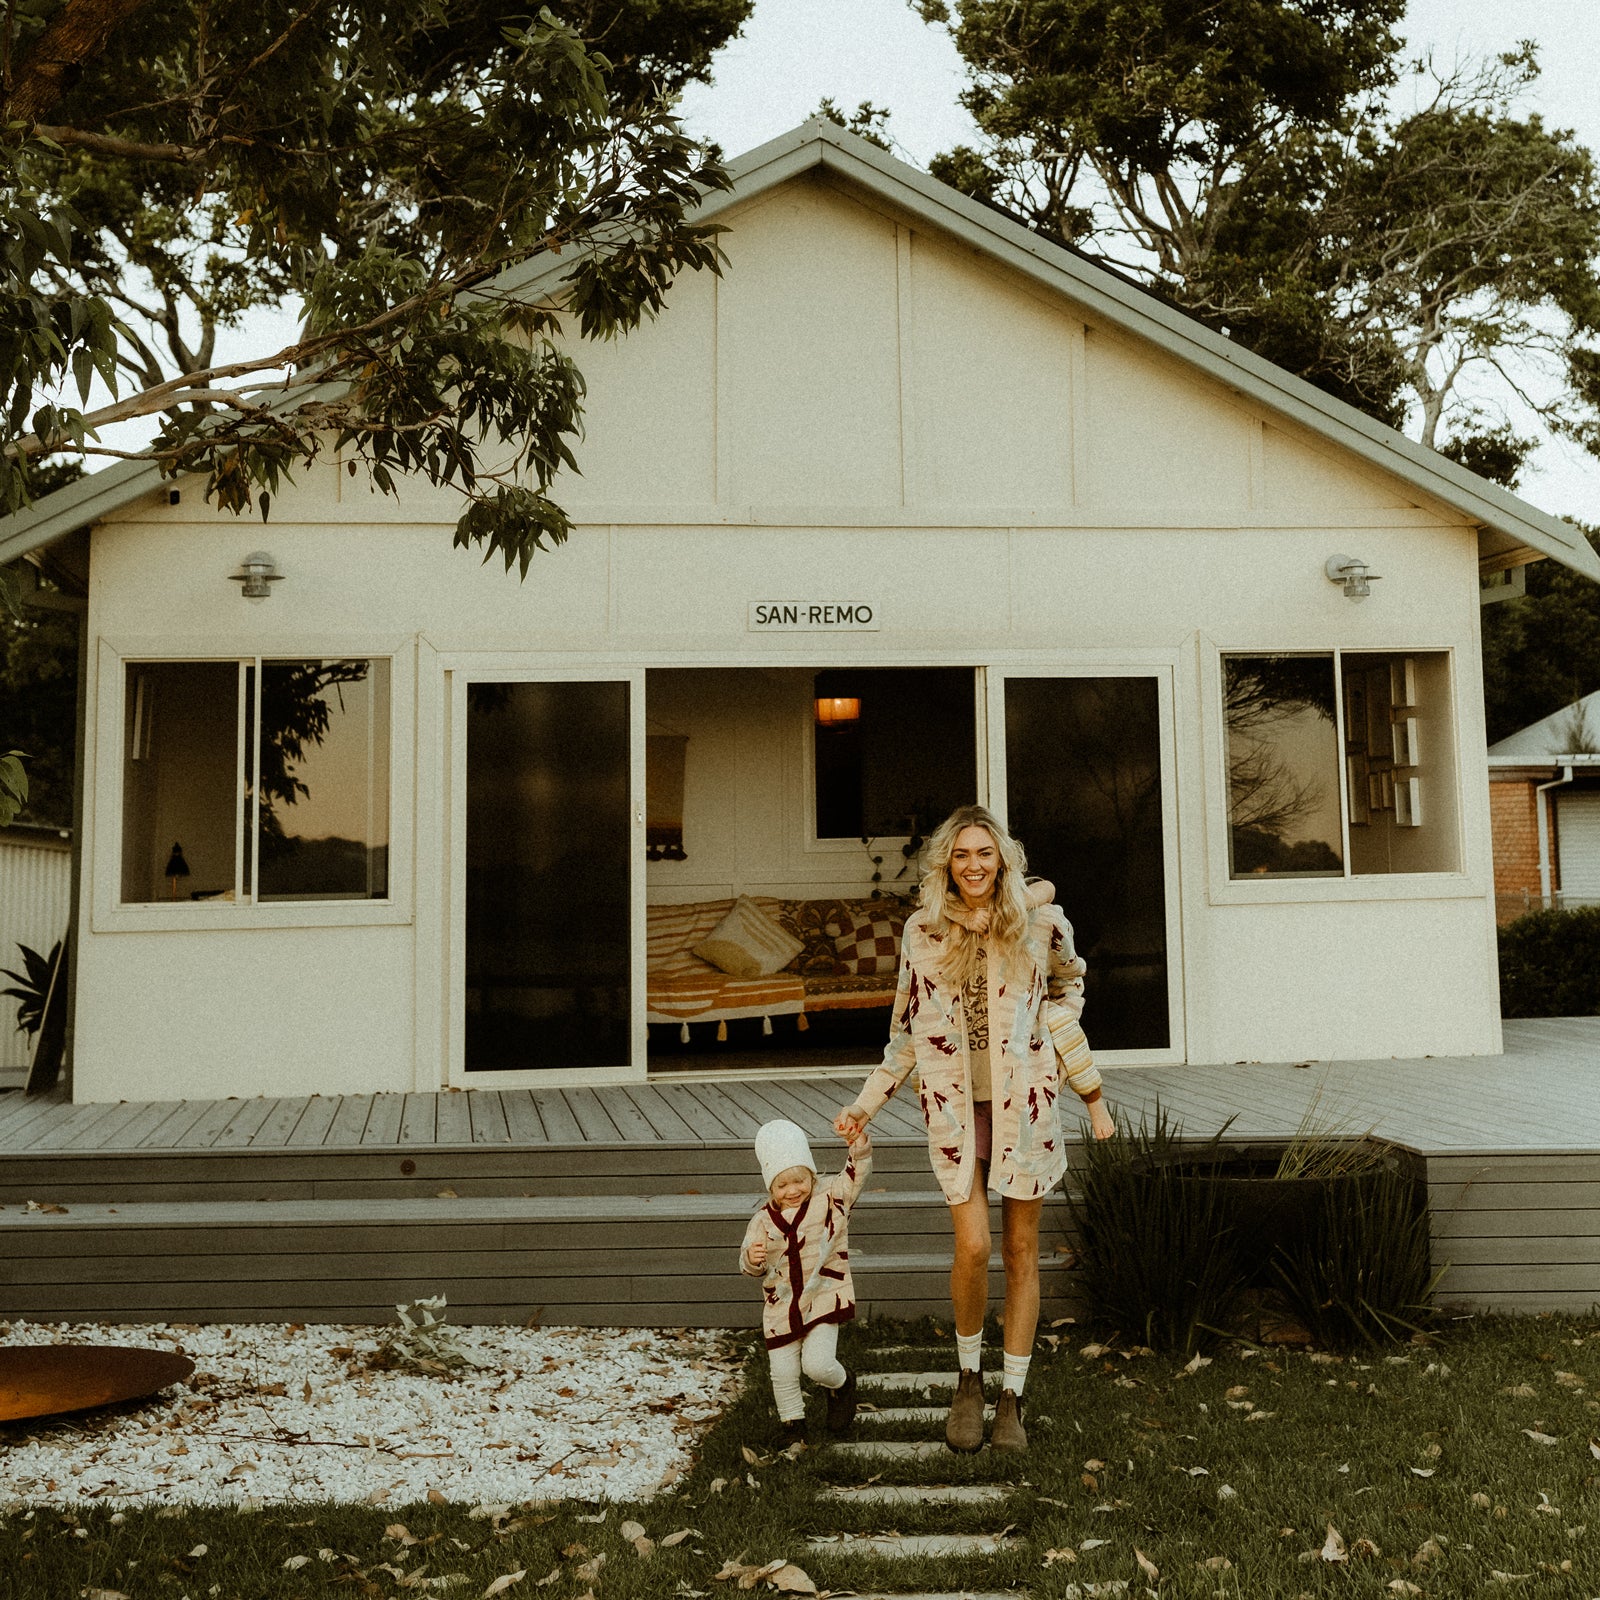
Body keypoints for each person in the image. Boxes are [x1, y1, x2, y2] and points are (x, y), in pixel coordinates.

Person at [834, 804, 1114, 1454]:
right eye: (961, 855)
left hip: (1028, 1106)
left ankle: (1011, 1395)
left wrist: (1051, 1036)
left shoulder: (1039, 925)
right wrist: (866, 1104)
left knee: (1020, 1250)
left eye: (984, 854)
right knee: (974, 1248)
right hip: (957, 1112)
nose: (974, 865)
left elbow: (1071, 984)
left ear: (1003, 859)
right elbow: (904, 1036)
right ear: (946, 865)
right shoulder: (922, 933)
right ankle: (968, 1378)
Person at [740, 1116, 871, 1447]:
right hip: (780, 1308)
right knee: (782, 1373)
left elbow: (856, 1177)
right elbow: (749, 1265)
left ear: (811, 1175)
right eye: (782, 1186)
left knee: (817, 1364)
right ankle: (793, 1429)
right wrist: (752, 1261)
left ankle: (841, 1385)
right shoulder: (762, 1222)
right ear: (770, 1187)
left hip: (824, 1295)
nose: (793, 1190)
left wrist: (857, 1145)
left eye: (799, 1181)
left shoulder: (830, 1199)